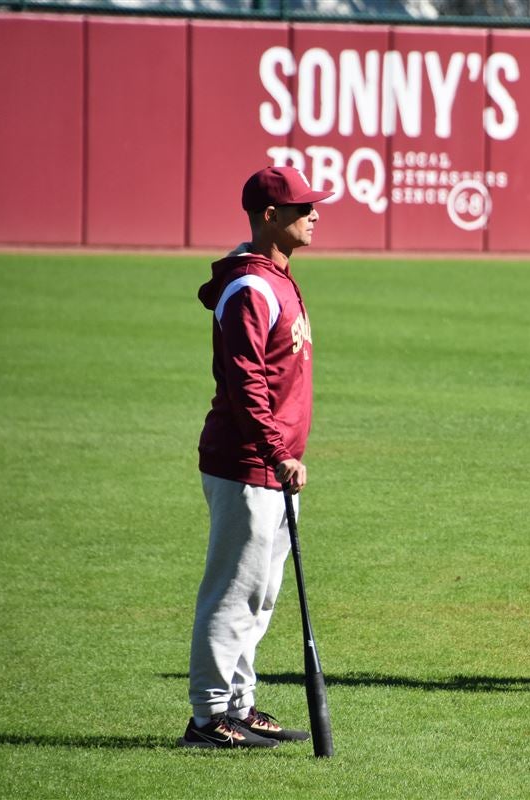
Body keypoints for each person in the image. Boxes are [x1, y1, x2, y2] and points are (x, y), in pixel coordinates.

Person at [179, 166, 333, 747]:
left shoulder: (278, 278)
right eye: (302, 208)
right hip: (247, 463)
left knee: (262, 595)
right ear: (270, 216)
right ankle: (208, 718)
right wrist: (276, 451)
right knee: (233, 590)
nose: (314, 215)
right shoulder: (251, 288)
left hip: (273, 466)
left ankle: (240, 706)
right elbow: (247, 384)